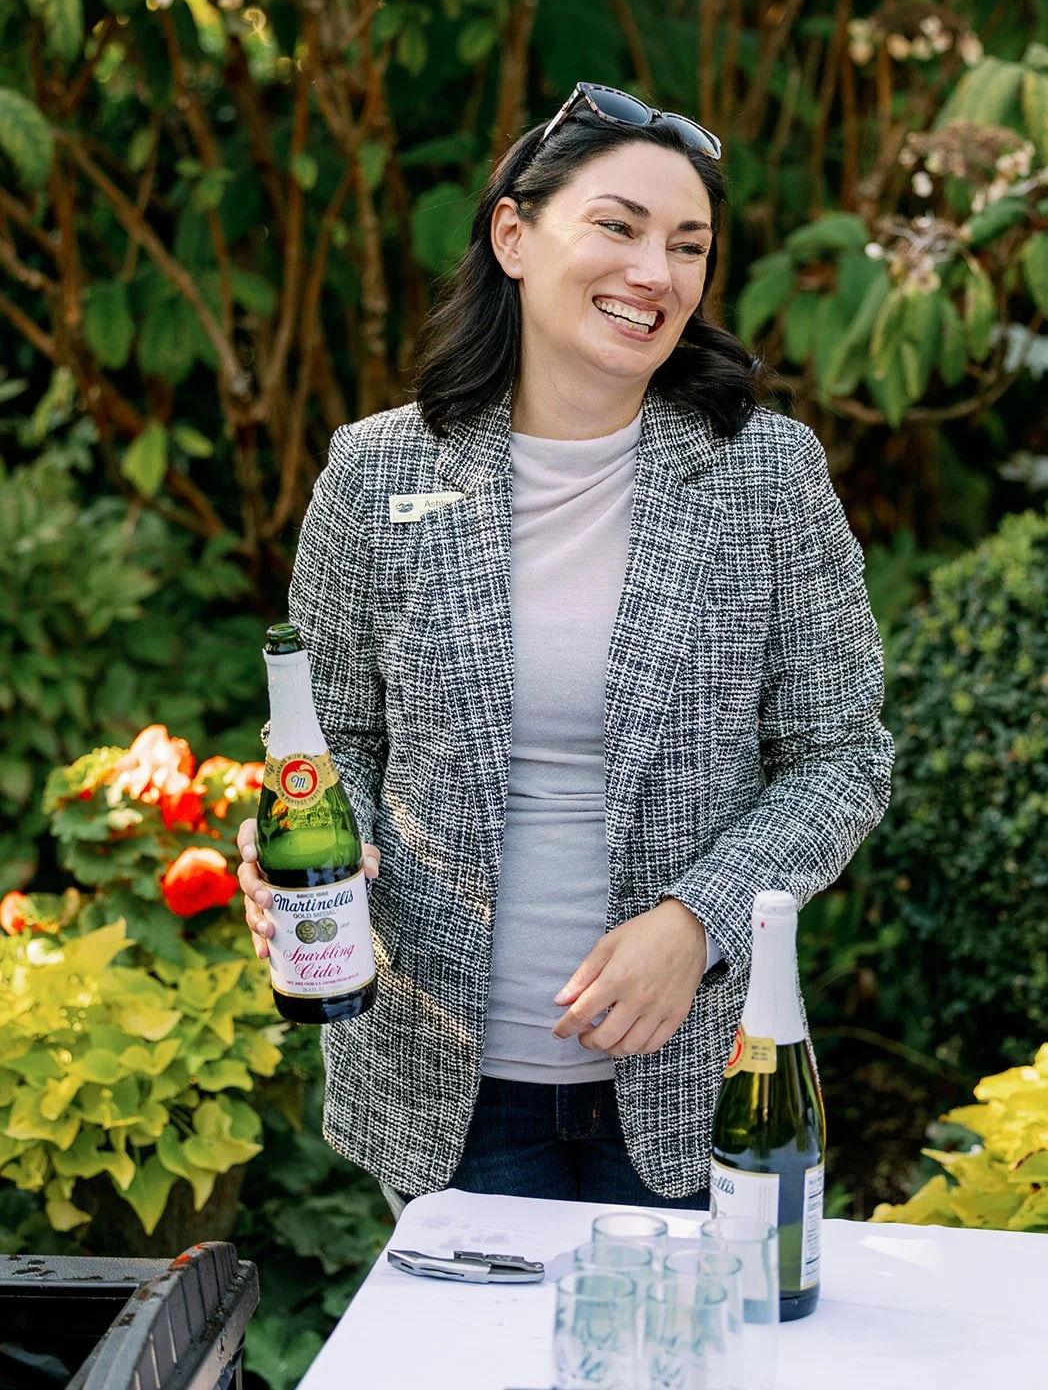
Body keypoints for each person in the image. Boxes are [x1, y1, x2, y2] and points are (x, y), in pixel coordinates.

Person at [237, 81, 894, 1217]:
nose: (658, 273)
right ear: (514, 235)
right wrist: (302, 850)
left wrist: (700, 920)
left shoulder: (768, 476)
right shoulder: (378, 470)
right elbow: (332, 726)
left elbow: (842, 757)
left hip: (695, 1079)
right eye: (620, 226)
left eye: (689, 246)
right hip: (451, 1085)